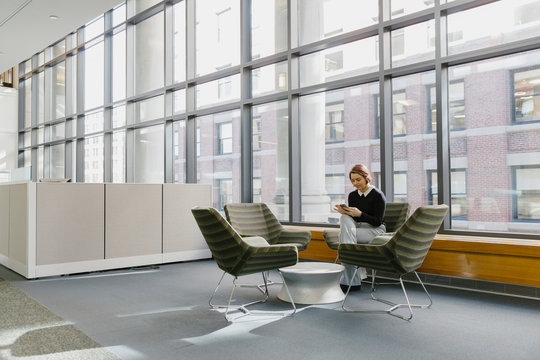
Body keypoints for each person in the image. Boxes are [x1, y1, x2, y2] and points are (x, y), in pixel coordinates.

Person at [334, 164, 386, 291]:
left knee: (345, 238)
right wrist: (347, 213)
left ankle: (351, 280)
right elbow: (354, 220)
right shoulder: (353, 195)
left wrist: (360, 214)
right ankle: (353, 280)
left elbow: (378, 222)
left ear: (366, 177)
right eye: (352, 181)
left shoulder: (378, 195)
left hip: (376, 230)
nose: (355, 183)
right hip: (358, 227)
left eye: (358, 180)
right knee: (344, 219)